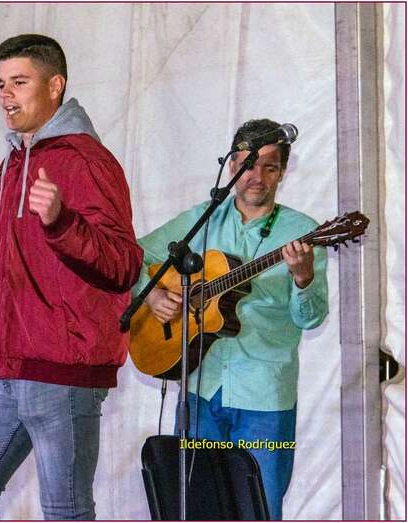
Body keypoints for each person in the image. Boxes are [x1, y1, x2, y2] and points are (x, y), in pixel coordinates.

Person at [0, 34, 143, 520]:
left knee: (64, 511)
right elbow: (3, 287)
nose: (6, 95)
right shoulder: (8, 169)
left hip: (64, 372)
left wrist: (62, 222)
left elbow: (123, 265)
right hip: (2, 369)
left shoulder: (88, 160)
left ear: (55, 86)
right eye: (1, 84)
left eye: (19, 82)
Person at [134, 118, 329, 520]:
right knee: (198, 507)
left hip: (264, 395)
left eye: (270, 167)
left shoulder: (304, 232)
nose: (258, 177)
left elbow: (309, 319)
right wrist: (152, 295)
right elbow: (133, 255)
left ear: (282, 172)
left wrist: (304, 278)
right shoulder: (203, 220)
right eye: (248, 165)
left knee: (260, 508)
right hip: (200, 387)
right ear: (231, 167)